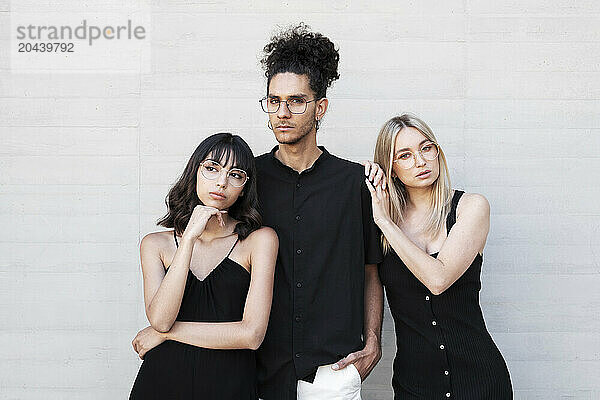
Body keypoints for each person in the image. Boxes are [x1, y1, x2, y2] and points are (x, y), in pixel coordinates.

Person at [254, 24, 385, 400]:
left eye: (296, 101)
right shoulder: (249, 180)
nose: (282, 112)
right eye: (273, 101)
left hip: (333, 372)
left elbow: (370, 268)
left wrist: (373, 341)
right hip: (260, 371)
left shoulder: (355, 182)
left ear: (320, 107)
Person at [365, 114, 513, 399]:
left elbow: (438, 278)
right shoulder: (377, 224)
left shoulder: (470, 207)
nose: (420, 161)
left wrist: (385, 221)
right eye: (404, 155)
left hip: (480, 381)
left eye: (426, 148)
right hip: (414, 385)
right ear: (391, 169)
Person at [129, 132, 278, 400]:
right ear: (194, 172)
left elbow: (251, 335)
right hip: (162, 383)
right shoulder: (155, 244)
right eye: (211, 168)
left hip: (230, 386)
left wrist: (166, 336)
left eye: (235, 175)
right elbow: (161, 320)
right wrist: (188, 240)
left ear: (244, 186)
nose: (221, 182)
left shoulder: (259, 241)